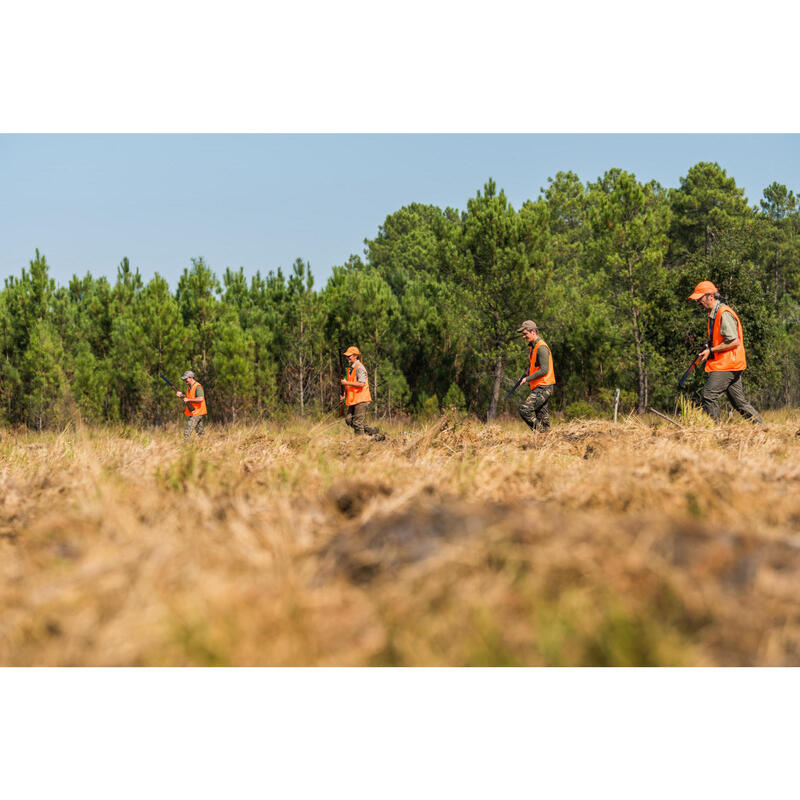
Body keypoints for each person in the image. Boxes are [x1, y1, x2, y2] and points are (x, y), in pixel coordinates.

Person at [687, 281, 765, 425]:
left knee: (708, 396)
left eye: (700, 298)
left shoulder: (723, 313)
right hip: (730, 363)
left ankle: (718, 432)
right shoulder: (714, 314)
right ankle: (762, 429)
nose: (698, 302)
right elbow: (720, 338)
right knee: (739, 403)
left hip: (727, 364)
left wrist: (711, 350)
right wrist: (707, 346)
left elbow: (734, 341)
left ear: (710, 296)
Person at [516, 320, 556, 432]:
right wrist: (527, 373)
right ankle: (547, 439)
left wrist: (526, 379)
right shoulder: (533, 347)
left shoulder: (541, 347)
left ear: (533, 331)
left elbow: (544, 370)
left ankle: (541, 433)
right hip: (540, 386)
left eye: (525, 334)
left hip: (544, 387)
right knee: (543, 420)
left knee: (525, 410)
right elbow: (536, 366)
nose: (523, 337)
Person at [340, 347, 384, 440]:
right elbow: (350, 384)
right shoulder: (350, 369)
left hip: (361, 399)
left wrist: (346, 383)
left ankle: (360, 442)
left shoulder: (359, 368)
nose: (347, 358)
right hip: (353, 399)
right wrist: (344, 393)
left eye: (349, 356)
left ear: (355, 356)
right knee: (348, 420)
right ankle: (371, 431)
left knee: (357, 423)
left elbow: (361, 383)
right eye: (346, 356)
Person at [176, 370, 207, 439]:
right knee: (200, 432)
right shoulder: (189, 387)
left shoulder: (197, 386)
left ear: (191, 377)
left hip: (197, 412)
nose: (185, 380)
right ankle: (206, 445)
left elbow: (200, 398)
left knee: (187, 432)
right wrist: (181, 396)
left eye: (186, 378)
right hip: (193, 412)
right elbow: (188, 399)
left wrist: (188, 399)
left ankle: (186, 447)